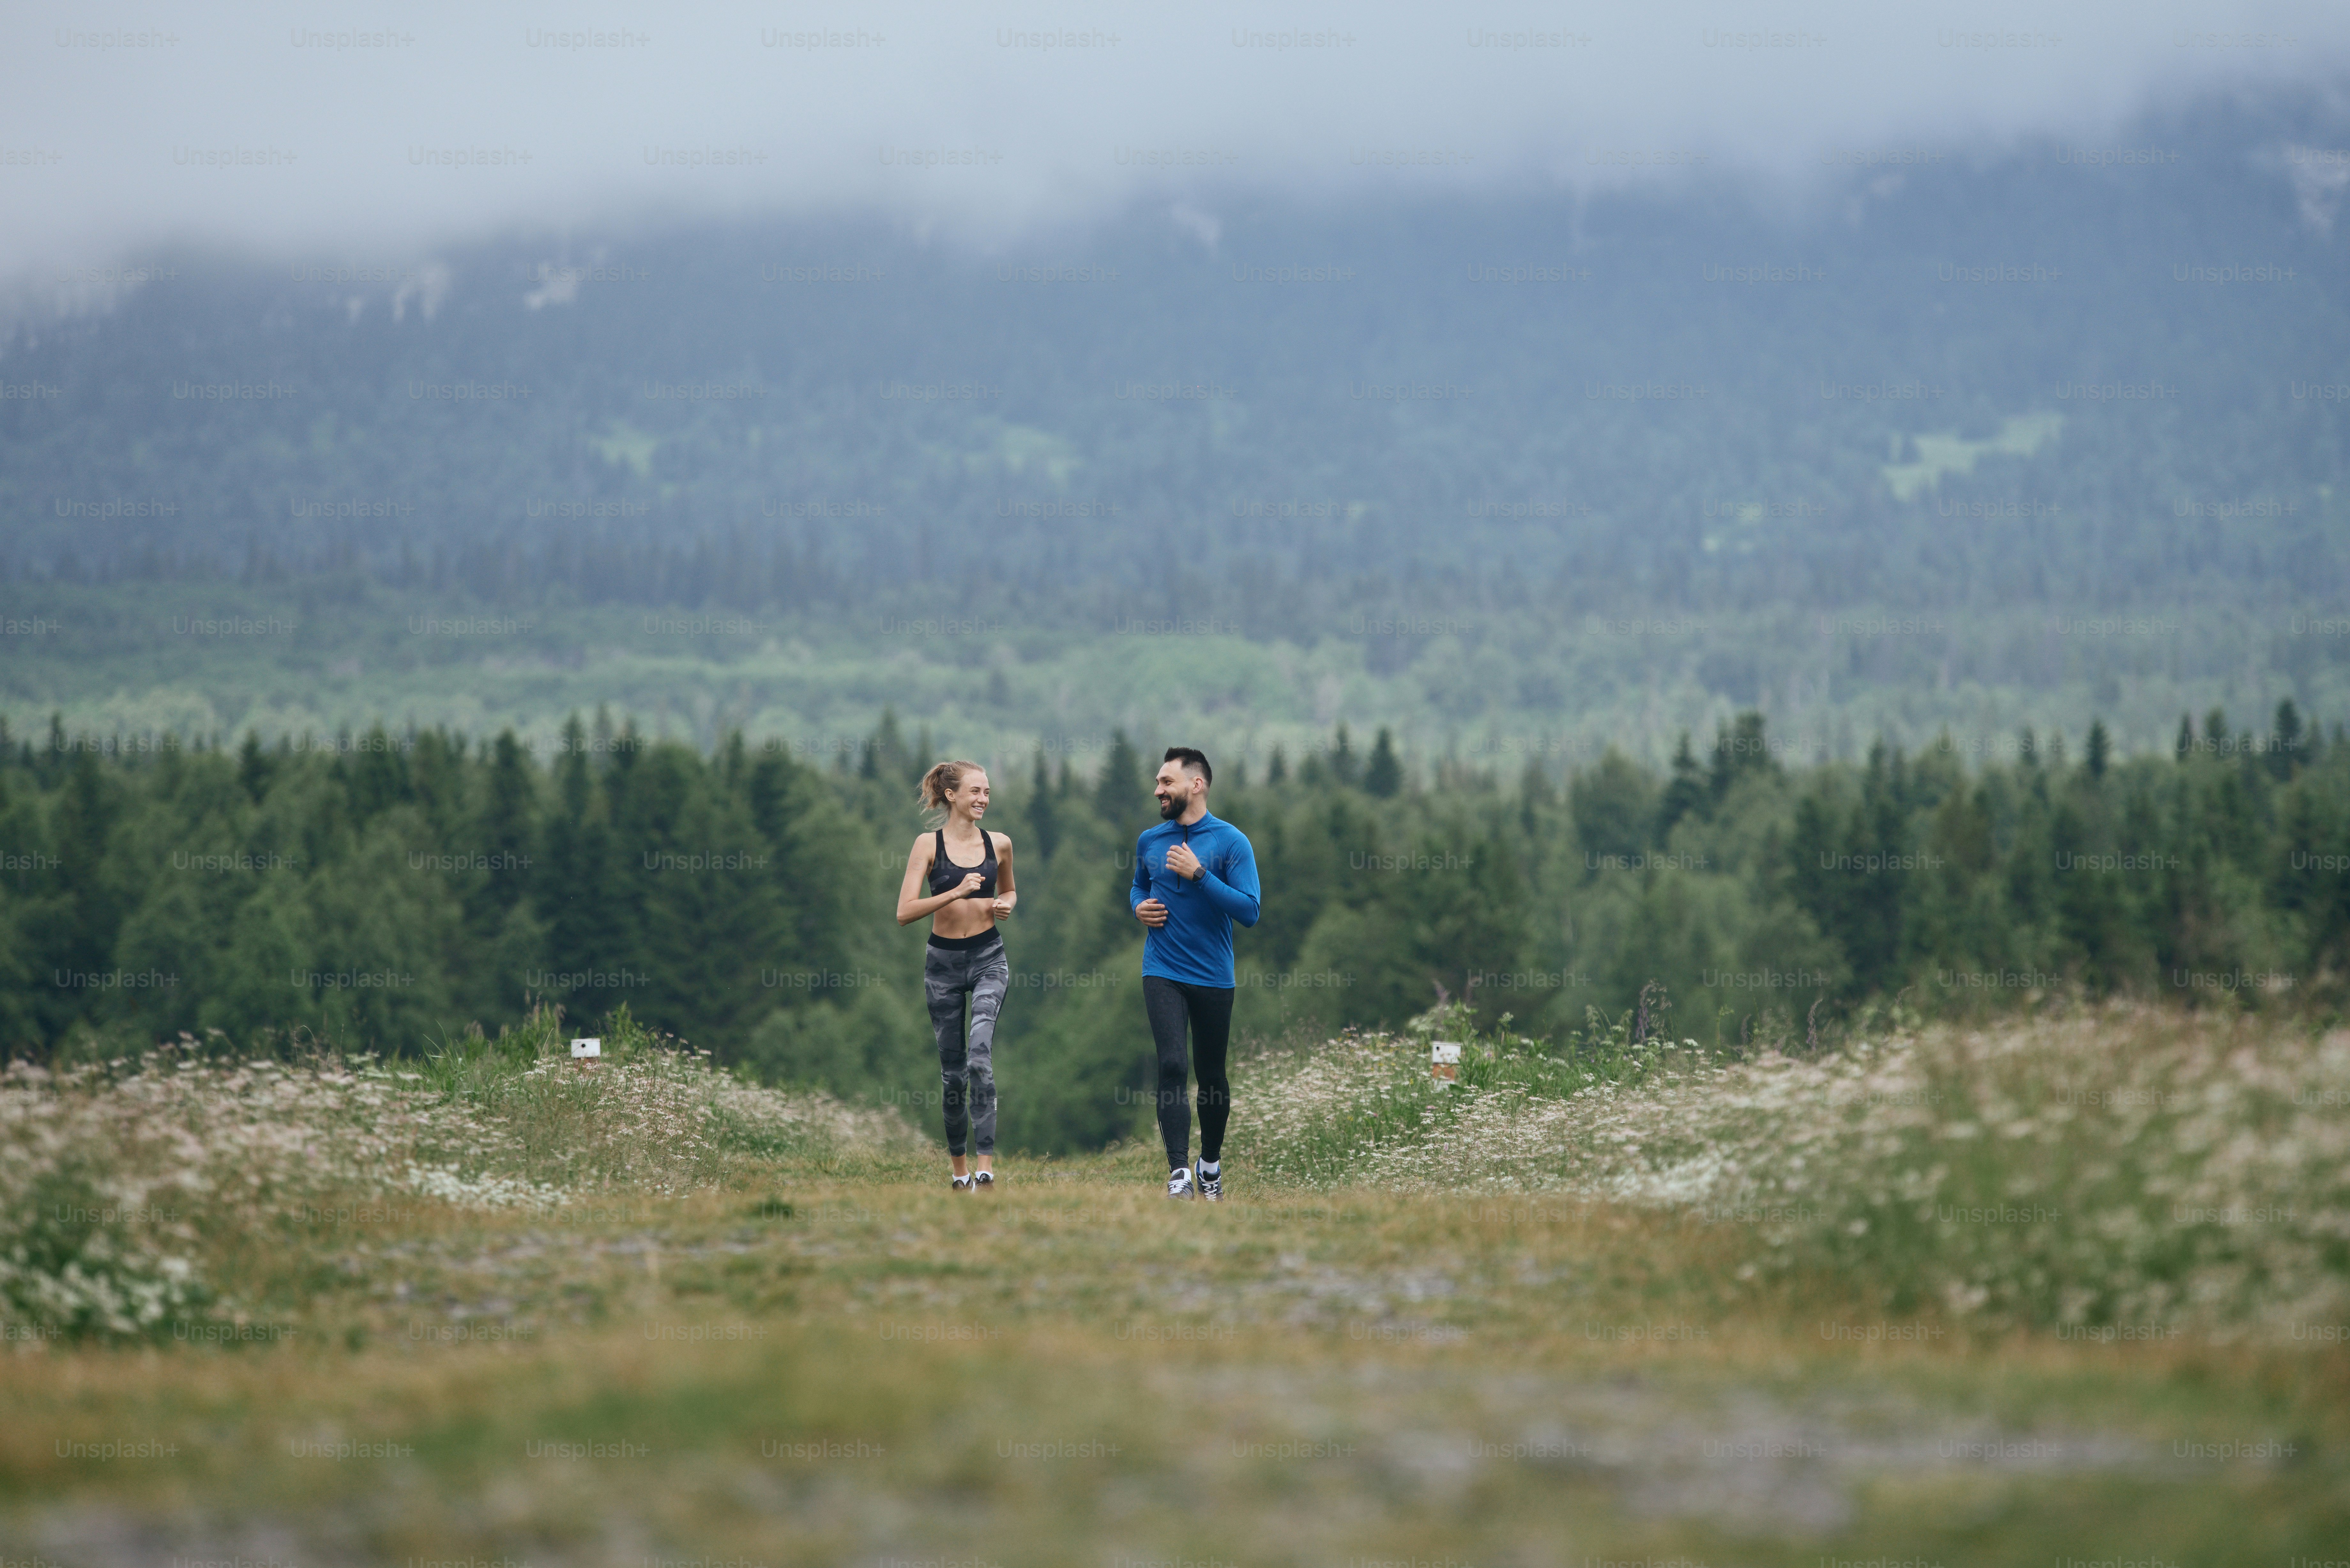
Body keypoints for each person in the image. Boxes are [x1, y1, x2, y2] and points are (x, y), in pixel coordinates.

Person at [1130, 746, 1260, 1200]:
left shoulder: (1231, 842)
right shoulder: (1150, 840)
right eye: (1159, 782)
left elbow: (1250, 911)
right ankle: (1178, 1173)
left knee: (1211, 1076)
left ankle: (1210, 1167)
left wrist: (1201, 874)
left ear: (1196, 785)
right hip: (1162, 968)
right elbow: (1138, 885)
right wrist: (1138, 907)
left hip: (1213, 975)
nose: (1158, 790)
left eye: (1166, 782)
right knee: (1171, 1065)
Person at [896, 759, 1016, 1192]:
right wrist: (957, 892)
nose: (984, 799)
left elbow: (1009, 889)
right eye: (975, 792)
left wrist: (1006, 905)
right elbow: (904, 913)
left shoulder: (999, 843)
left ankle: (985, 1169)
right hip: (942, 965)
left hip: (988, 957)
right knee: (954, 1075)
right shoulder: (927, 846)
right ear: (951, 796)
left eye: (987, 792)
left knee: (980, 1058)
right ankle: (959, 1172)